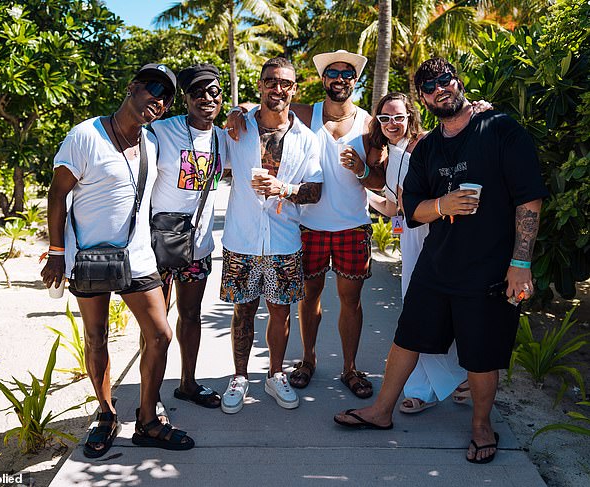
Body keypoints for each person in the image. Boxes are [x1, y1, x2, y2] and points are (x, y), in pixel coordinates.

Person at [334, 57, 548, 465]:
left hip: (488, 265)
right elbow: (411, 208)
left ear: (458, 82)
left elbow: (529, 197)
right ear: (423, 98)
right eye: (429, 86)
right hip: (437, 262)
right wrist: (443, 204)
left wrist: (520, 262)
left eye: (444, 80)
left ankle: (482, 426)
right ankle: (381, 411)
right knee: (407, 335)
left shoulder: (499, 129)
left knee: (481, 352)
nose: (439, 89)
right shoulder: (429, 148)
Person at [41, 64, 195, 457]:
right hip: (88, 257)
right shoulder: (84, 136)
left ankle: (147, 420)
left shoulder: (151, 144)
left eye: (165, 97)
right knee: (97, 337)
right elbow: (57, 195)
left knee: (160, 335)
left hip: (138, 257)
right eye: (152, 88)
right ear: (132, 88)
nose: (158, 100)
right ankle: (106, 413)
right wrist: (57, 254)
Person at [227, 50, 385, 399]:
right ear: (322, 79)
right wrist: (236, 113)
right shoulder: (305, 113)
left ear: (355, 81)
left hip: (351, 225)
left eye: (347, 74)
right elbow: (267, 108)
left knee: (350, 301)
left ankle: (350, 368)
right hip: (308, 225)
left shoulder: (368, 124)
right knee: (308, 298)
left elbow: (378, 179)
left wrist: (360, 168)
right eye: (332, 72)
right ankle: (307, 361)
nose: (340, 78)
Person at [219, 57, 323, 414]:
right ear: (260, 85)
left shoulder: (306, 139)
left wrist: (284, 188)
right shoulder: (237, 129)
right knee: (242, 311)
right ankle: (239, 377)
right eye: (270, 81)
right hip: (241, 238)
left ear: (294, 89)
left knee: (280, 312)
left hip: (283, 240)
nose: (277, 88)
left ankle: (275, 374)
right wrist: (234, 110)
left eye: (284, 83)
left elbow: (315, 190)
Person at [364, 92, 469, 414]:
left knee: (427, 311)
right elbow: (394, 207)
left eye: (398, 117)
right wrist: (361, 187)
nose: (392, 123)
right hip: (410, 239)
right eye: (385, 118)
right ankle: (428, 387)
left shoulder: (428, 145)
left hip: (434, 236)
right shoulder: (392, 152)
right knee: (416, 312)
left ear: (411, 116)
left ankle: (453, 379)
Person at [149, 63, 226, 409]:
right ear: (185, 98)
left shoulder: (225, 137)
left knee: (191, 315)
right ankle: (149, 396)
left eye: (213, 91)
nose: (206, 98)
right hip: (159, 245)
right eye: (197, 91)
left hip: (197, 246)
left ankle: (188, 383)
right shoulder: (160, 131)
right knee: (156, 324)